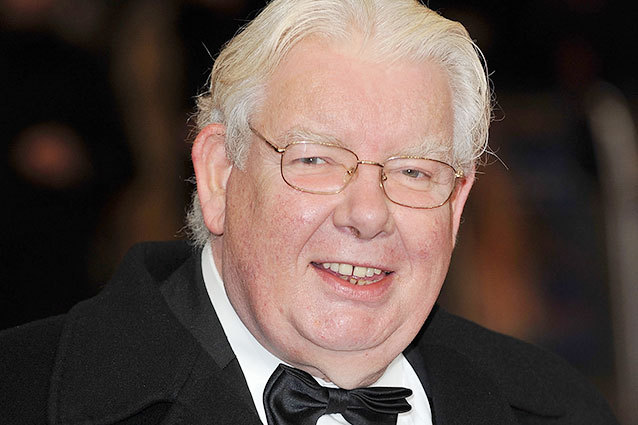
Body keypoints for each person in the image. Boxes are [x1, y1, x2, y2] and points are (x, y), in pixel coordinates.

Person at [0, 0, 619, 424]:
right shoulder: (23, 394)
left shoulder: (561, 409)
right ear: (218, 174)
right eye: (316, 159)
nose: (368, 214)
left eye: (413, 171)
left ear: (456, 206)